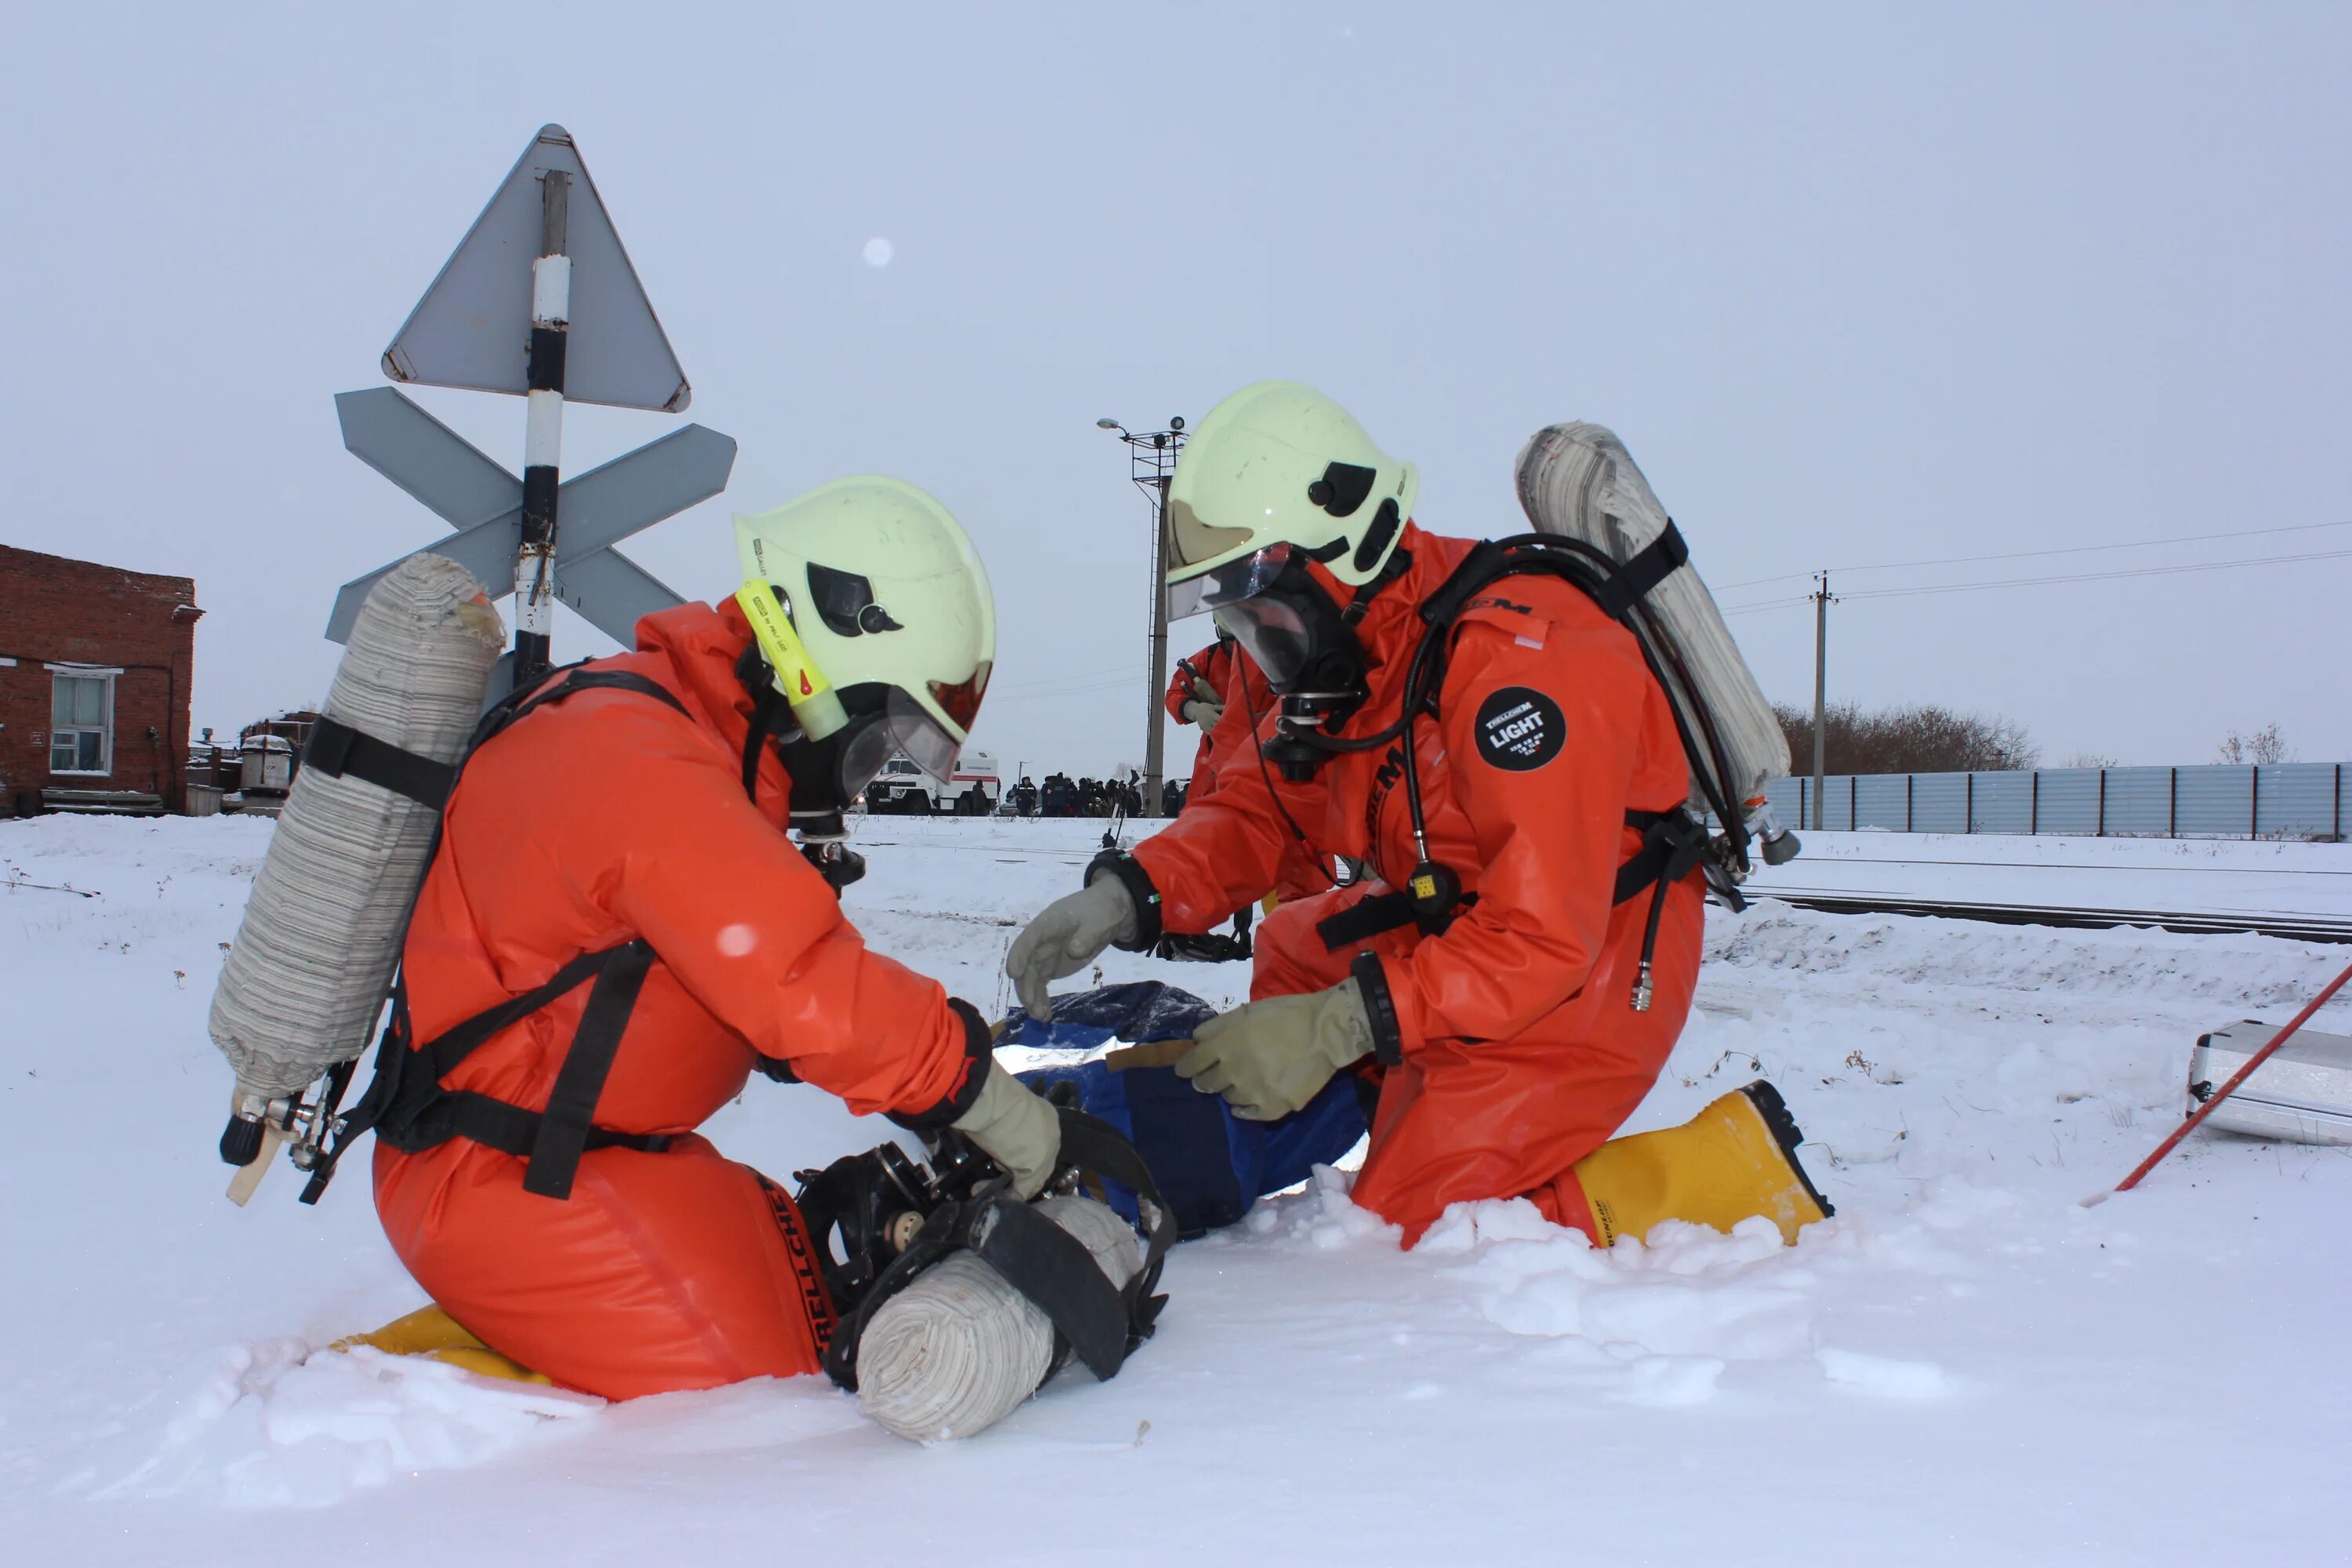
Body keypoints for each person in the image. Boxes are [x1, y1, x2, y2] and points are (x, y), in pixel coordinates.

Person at [1007, 383, 1830, 1248]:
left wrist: (1342, 1024)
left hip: (1591, 958)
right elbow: (1260, 811)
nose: (1261, 648)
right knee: (1296, 947)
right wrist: (1130, 893)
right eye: (1241, 622)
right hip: (1463, 925)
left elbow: (1543, 938)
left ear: (1347, 554)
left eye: (1267, 615)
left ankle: (1721, 1170)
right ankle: (1347, 1109)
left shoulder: (1523, 666)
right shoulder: (1357, 654)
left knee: (1418, 1219)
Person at [365, 477, 1065, 1399]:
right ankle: (432, 1392)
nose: (860, 777)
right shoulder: (641, 759)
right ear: (814, 667)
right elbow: (796, 978)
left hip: (583, 1158)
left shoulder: (684, 737)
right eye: (875, 734)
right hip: (499, 1182)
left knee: (813, 1283)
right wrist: (975, 1089)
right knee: (774, 1394)